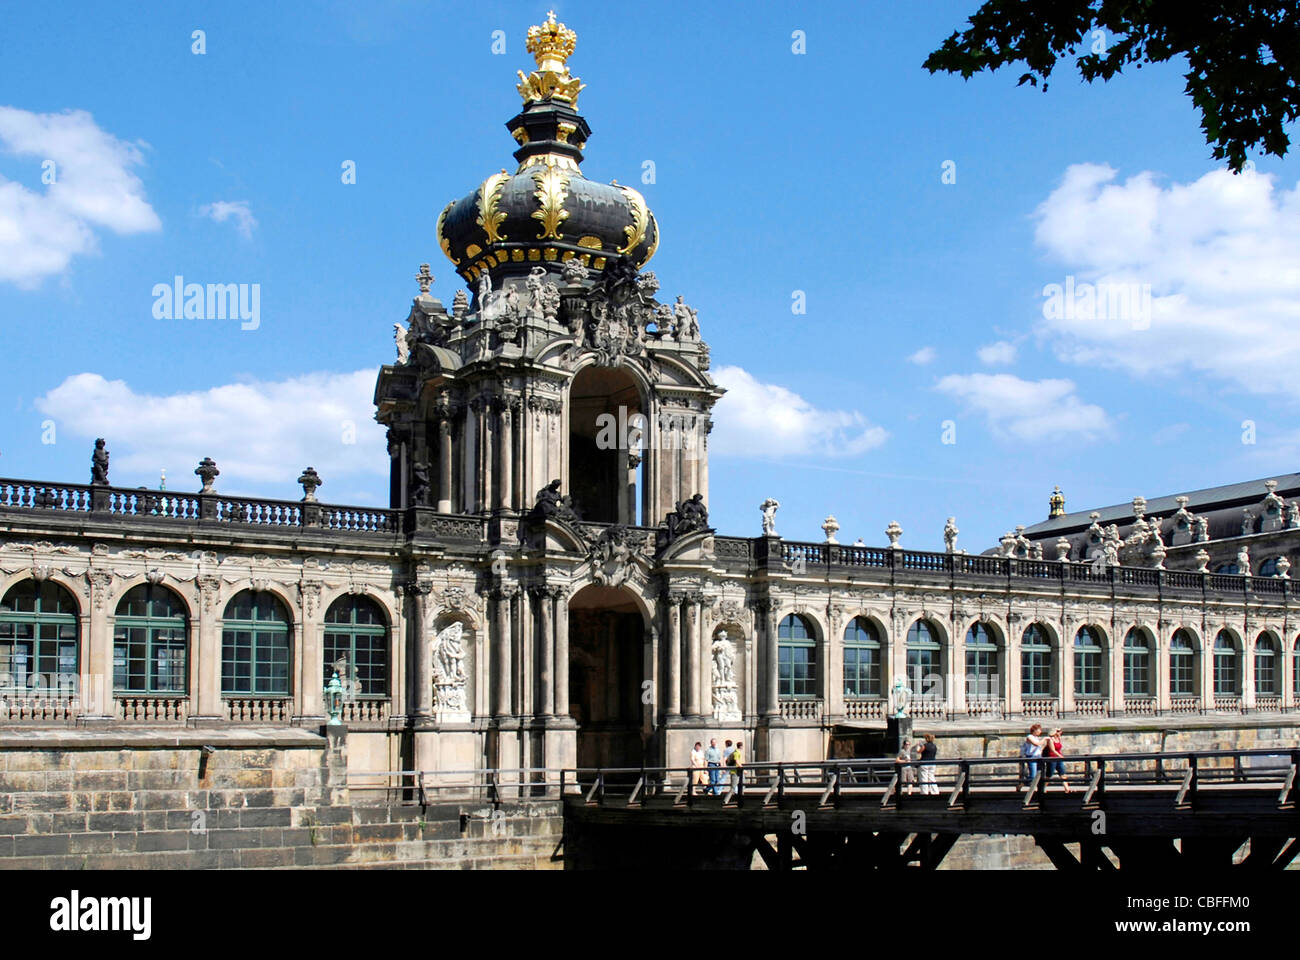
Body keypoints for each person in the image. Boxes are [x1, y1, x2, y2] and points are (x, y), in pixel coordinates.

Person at [1019, 723, 1047, 789]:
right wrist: (1044, 739)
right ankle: (1022, 783)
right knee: (1033, 775)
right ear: (1035, 730)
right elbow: (1036, 744)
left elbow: (1040, 747)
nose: (1040, 731)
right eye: (1039, 730)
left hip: (1038, 757)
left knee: (1040, 774)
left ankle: (1038, 789)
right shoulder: (1030, 737)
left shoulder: (1037, 738)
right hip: (1031, 757)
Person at [1044, 728, 1071, 793]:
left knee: (1062, 772)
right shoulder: (1050, 740)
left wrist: (1060, 756)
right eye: (1058, 731)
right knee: (1049, 774)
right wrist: (1059, 755)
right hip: (1052, 758)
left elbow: (1059, 748)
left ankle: (1067, 789)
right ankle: (1043, 788)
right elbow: (1052, 750)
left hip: (1058, 758)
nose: (1060, 732)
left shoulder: (1058, 739)